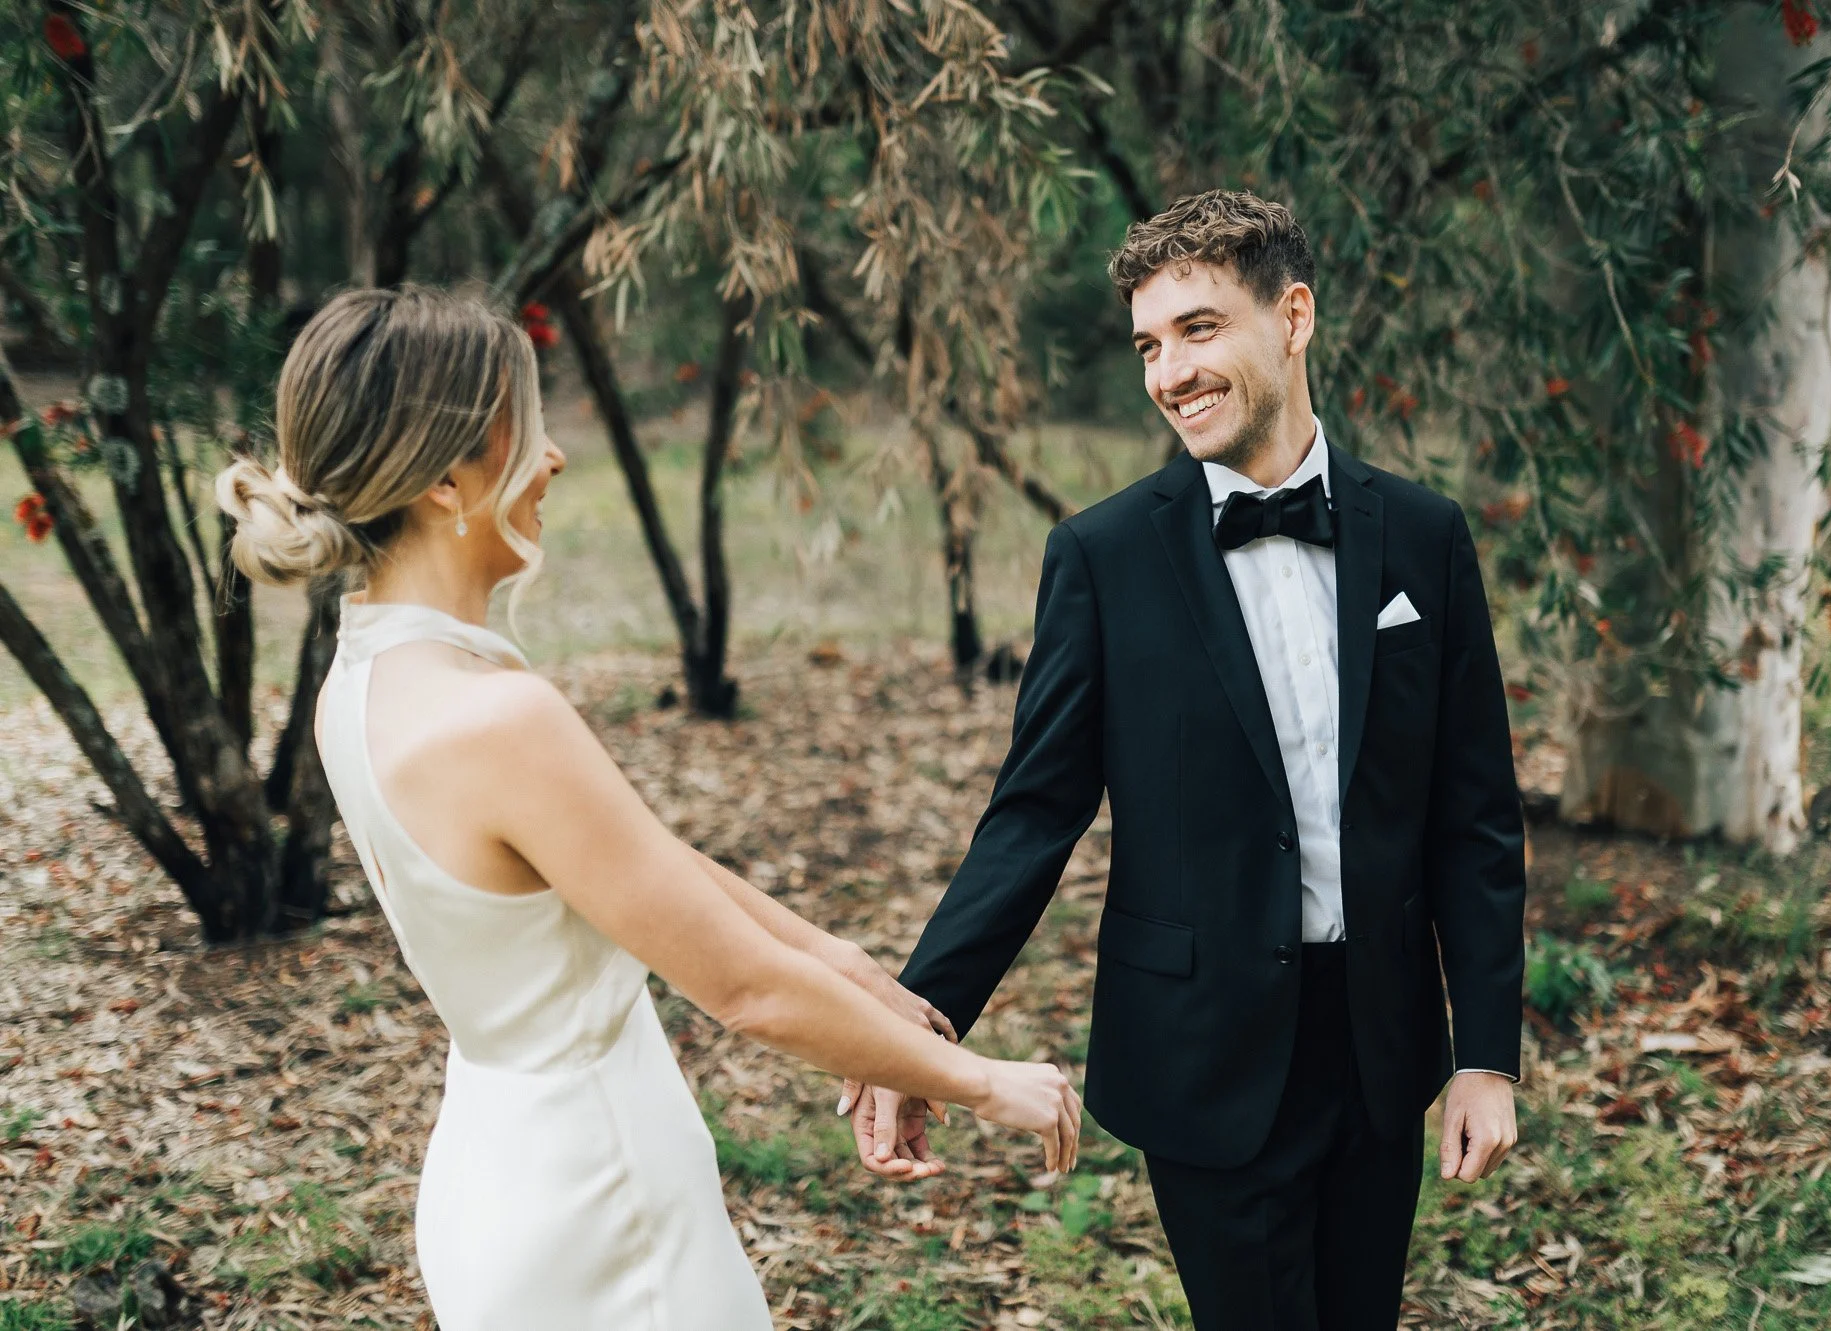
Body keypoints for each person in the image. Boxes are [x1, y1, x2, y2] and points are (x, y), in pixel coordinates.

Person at [216, 285, 1080, 1331]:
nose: (553, 457)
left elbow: (642, 866)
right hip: (600, 1209)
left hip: (494, 1171)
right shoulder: (498, 718)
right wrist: (979, 1079)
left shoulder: (360, 684)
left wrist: (851, 971)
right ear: (446, 482)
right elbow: (747, 991)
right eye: (525, 429)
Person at [842, 191, 1528, 1329]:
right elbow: (1034, 812)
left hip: (1382, 1042)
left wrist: (1487, 1054)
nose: (1169, 373)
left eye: (1198, 329)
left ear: (1293, 317)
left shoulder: (1422, 534)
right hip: (1202, 1048)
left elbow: (1475, 816)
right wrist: (917, 1024)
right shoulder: (1102, 556)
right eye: (1149, 346)